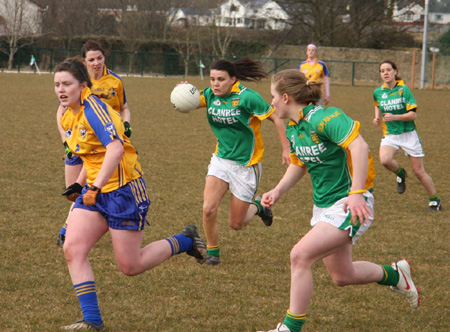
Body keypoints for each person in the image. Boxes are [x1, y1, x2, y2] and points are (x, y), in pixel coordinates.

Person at [258, 69, 419, 332]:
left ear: (285, 97)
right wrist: (277, 191)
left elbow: (360, 146)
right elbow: (299, 165)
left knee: (299, 256)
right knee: (342, 276)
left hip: (350, 202)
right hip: (324, 206)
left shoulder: (324, 117)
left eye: (273, 96)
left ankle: (289, 329)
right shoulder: (294, 127)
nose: (271, 102)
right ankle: (395, 275)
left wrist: (356, 194)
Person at [54, 57, 207, 331]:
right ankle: (92, 320)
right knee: (73, 248)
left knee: (130, 265)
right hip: (95, 190)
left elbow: (115, 150)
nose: (61, 89)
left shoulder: (94, 110)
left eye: (67, 84)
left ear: (83, 85)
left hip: (124, 191)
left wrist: (95, 188)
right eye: (57, 85)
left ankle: (186, 241)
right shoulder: (67, 113)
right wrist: (80, 185)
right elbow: (92, 156)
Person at [178, 57, 291, 266]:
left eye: (220, 79)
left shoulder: (247, 97)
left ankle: (258, 206)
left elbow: (276, 118)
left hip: (247, 166)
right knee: (208, 209)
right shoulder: (211, 95)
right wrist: (184, 91)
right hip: (221, 160)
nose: (215, 84)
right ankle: (213, 253)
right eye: (212, 79)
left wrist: (286, 149)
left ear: (233, 80)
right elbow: (190, 101)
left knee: (236, 224)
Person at [57, 40, 134, 247]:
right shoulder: (76, 81)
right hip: (79, 141)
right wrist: (66, 142)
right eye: (91, 59)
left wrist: (126, 125)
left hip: (104, 144)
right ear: (85, 61)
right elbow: (62, 112)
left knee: (92, 186)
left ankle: (68, 228)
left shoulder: (115, 81)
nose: (96, 62)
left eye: (100, 58)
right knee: (74, 190)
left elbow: (124, 107)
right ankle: (79, 225)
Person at [373, 60, 441, 211]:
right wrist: (377, 117)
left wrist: (395, 117)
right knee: (385, 160)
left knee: (419, 172)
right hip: (391, 134)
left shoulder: (404, 90)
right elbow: (377, 104)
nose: (385, 73)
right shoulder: (378, 92)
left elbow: (413, 115)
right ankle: (401, 173)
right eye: (382, 71)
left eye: (388, 70)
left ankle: (434, 200)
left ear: (395, 72)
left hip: (409, 135)